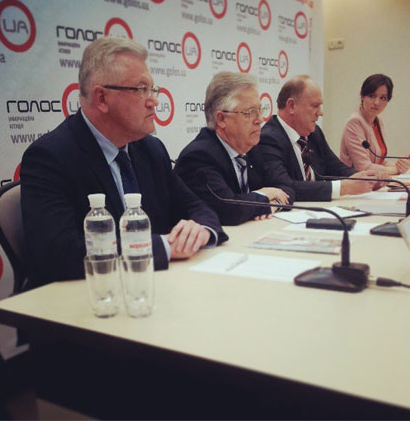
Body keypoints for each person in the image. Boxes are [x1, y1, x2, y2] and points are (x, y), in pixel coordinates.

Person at [20, 37, 228, 287]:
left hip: (151, 287)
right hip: (84, 298)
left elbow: (196, 206)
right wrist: (164, 246)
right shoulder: (50, 157)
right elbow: (60, 253)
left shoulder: (151, 149)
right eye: (141, 89)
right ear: (102, 98)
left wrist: (201, 230)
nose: (153, 101)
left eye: (152, 89)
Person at [174, 72, 294, 225]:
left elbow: (286, 187)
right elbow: (228, 209)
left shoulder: (252, 149)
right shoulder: (199, 157)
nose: (260, 119)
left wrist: (273, 204)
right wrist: (264, 196)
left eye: (260, 110)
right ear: (221, 119)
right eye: (250, 112)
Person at [258, 75, 378, 202]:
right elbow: (284, 187)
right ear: (291, 106)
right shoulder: (268, 139)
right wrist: (343, 188)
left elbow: (335, 167)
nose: (321, 113)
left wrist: (365, 178)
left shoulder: (314, 133)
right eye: (315, 106)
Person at [340, 74, 410, 174]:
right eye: (372, 96)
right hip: (354, 181)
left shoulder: (377, 121)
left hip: (372, 181)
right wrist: (396, 170)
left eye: (383, 98)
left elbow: (379, 160)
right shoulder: (355, 122)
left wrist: (399, 165)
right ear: (362, 96)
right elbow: (363, 167)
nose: (377, 102)